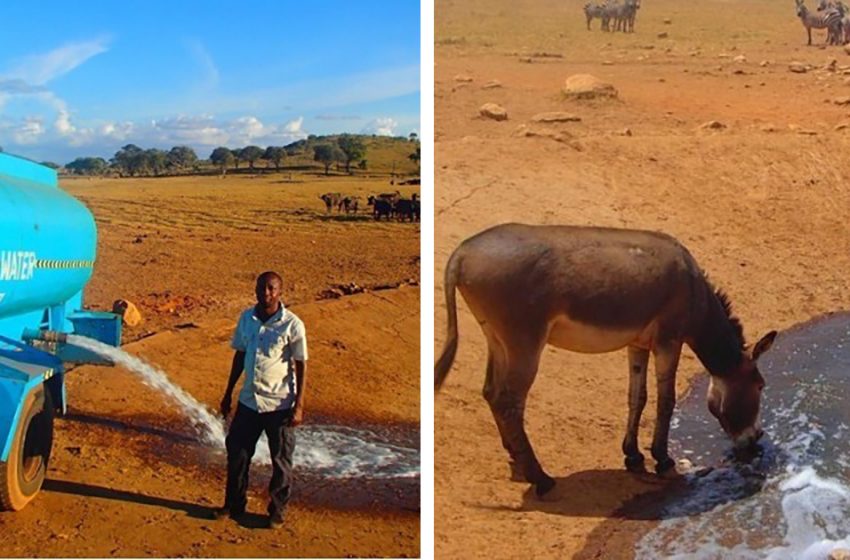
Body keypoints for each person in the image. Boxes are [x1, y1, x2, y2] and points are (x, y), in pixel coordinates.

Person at [213, 271, 308, 528]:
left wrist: (299, 406)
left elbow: (301, 365)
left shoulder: (292, 324)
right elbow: (240, 356)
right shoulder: (247, 318)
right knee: (238, 453)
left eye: (270, 288)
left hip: (280, 405)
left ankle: (277, 510)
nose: (265, 293)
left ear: (280, 292)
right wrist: (228, 393)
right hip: (249, 402)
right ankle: (233, 505)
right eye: (260, 288)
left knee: (281, 461)